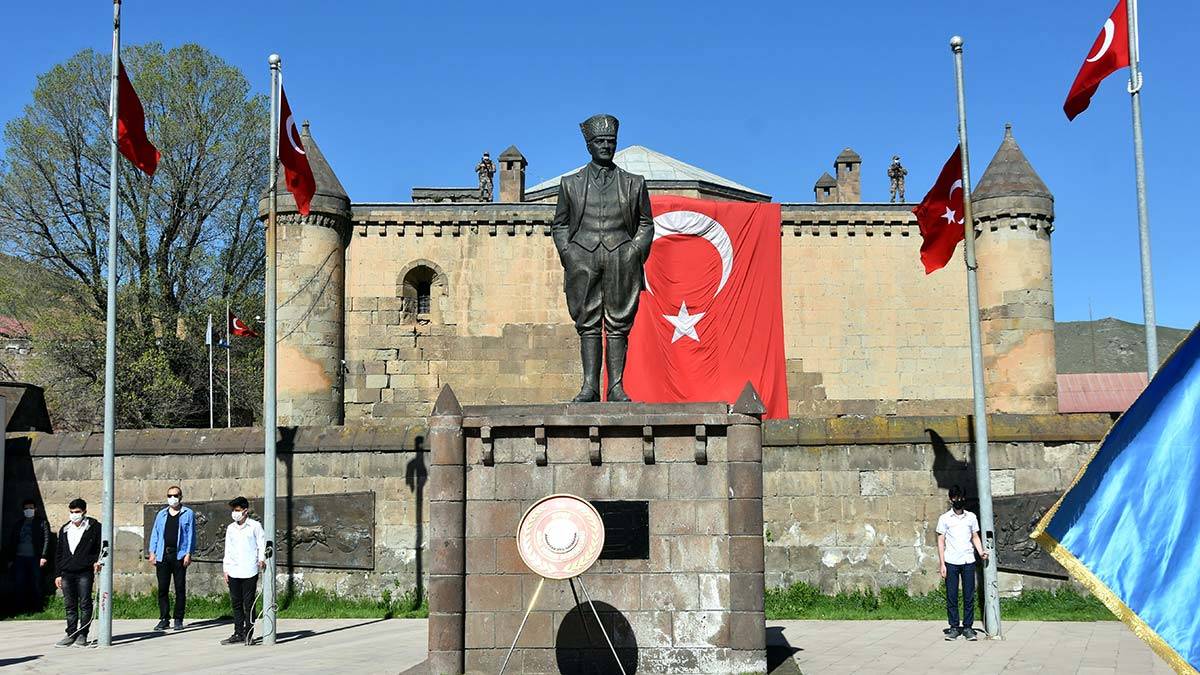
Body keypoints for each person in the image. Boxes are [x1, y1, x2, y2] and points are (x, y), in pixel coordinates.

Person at [551, 113, 654, 402]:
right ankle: (590, 387)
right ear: (589, 145)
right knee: (588, 323)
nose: (606, 146)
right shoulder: (570, 184)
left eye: (611, 141)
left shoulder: (634, 183)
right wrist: (569, 253)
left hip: (622, 257)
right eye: (600, 141)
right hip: (582, 259)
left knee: (619, 323)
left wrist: (634, 251)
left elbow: (646, 223)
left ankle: (616, 386)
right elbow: (559, 224)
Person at [937, 485, 989, 641]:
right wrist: (942, 564)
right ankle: (953, 627)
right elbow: (941, 541)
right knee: (952, 595)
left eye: (960, 497)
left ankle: (967, 627)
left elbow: (975, 537)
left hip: (968, 561)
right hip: (951, 561)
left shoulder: (971, 517)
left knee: (969, 596)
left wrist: (981, 552)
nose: (958, 500)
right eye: (955, 498)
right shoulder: (945, 518)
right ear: (951, 499)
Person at [54, 498, 102, 648]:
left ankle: (82, 634)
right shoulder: (65, 529)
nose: (74, 515)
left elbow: (101, 546)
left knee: (85, 603)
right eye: (72, 512)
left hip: (84, 572)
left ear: (84, 512)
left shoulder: (94, 527)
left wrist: (97, 561)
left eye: (77, 512)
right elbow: (59, 552)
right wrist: (58, 574)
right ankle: (71, 633)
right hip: (67, 572)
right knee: (70, 605)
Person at [147, 485, 195, 630]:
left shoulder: (188, 513)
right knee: (162, 588)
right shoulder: (161, 514)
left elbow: (191, 534)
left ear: (181, 497)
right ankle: (164, 618)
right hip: (163, 554)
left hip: (179, 555)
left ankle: (178, 619)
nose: (172, 498)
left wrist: (188, 553)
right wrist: (152, 552)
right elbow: (155, 533)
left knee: (180, 588)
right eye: (169, 496)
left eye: (175, 495)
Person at [222, 496, 265, 645]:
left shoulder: (254, 526)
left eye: (237, 510)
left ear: (245, 511)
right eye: (233, 510)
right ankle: (238, 632)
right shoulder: (231, 528)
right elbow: (228, 549)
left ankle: (249, 633)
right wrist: (226, 568)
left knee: (249, 604)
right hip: (234, 570)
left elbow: (261, 544)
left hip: (249, 570)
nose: (235, 513)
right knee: (236, 603)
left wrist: (261, 559)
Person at [5, 498, 51, 613]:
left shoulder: (42, 522)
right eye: (26, 508)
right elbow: (12, 541)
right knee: (20, 583)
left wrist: (44, 556)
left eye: (31, 508)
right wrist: (10, 559)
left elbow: (47, 539)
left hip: (35, 558)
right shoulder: (19, 524)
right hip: (20, 558)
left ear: (35, 509)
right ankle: (21, 608)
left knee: (36, 582)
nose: (28, 510)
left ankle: (38, 608)